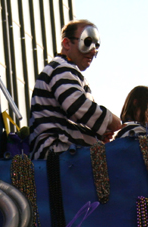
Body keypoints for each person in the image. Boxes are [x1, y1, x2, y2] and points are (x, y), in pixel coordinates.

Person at [29, 19, 122, 159]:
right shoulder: (60, 68)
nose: (93, 50)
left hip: (64, 156)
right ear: (66, 43)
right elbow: (76, 105)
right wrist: (111, 120)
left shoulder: (68, 72)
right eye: (87, 41)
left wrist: (98, 133)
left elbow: (76, 115)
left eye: (96, 45)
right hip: (57, 156)